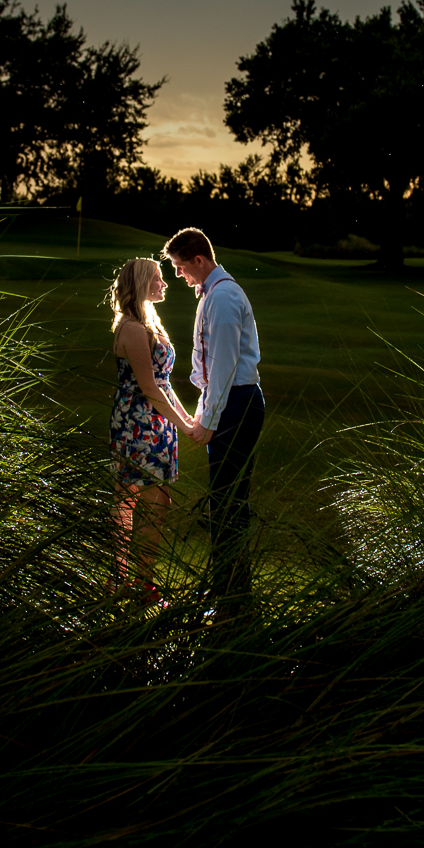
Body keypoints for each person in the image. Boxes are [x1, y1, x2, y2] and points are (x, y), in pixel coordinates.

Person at [164, 227, 263, 619]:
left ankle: (233, 599)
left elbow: (223, 366)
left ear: (199, 261)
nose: (179, 275)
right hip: (230, 402)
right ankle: (226, 587)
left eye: (180, 267)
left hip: (237, 404)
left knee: (227, 503)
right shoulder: (212, 294)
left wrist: (209, 420)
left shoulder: (222, 297)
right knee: (223, 502)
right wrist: (206, 409)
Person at [107, 256, 199, 603]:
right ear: (142, 284)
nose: (163, 284)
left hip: (155, 423)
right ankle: (131, 582)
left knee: (152, 501)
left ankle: (133, 581)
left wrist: (186, 420)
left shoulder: (150, 323)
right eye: (157, 279)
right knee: (141, 500)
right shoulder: (131, 328)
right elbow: (148, 388)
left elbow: (165, 383)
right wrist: (183, 425)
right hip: (137, 424)